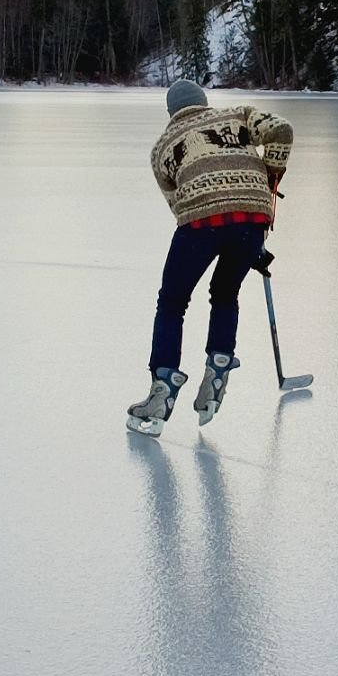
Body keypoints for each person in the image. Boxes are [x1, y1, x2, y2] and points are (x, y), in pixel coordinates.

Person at [125, 80, 294, 435]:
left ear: (171, 112)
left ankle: (163, 388)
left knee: (172, 303)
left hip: (201, 223)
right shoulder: (239, 114)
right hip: (252, 218)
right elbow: (281, 129)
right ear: (204, 102)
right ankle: (218, 364)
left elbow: (176, 203)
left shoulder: (162, 148)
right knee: (225, 294)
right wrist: (271, 175)